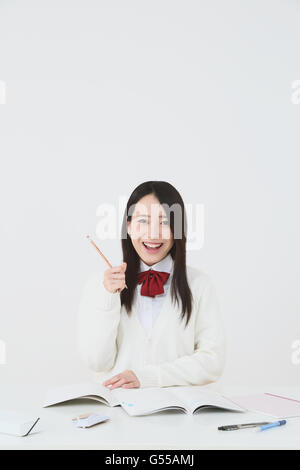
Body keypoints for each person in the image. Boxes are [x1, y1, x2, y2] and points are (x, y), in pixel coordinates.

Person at [77, 181, 226, 389]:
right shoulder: (99, 285)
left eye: (164, 222)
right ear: (128, 226)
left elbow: (212, 362)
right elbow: (97, 362)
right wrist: (108, 297)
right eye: (143, 221)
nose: (153, 234)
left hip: (177, 413)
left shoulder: (199, 285)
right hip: (118, 411)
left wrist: (148, 377)